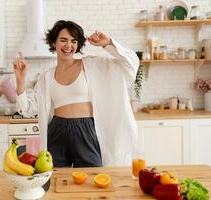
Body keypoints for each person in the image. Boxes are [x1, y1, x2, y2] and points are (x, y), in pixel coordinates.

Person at [13, 20, 139, 167]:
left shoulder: (92, 66)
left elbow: (130, 65)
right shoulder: (46, 77)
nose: (68, 45)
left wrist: (108, 43)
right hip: (57, 130)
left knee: (91, 179)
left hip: (86, 129)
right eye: (63, 40)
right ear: (54, 43)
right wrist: (20, 81)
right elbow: (27, 109)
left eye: (73, 41)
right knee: (56, 179)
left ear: (78, 45)